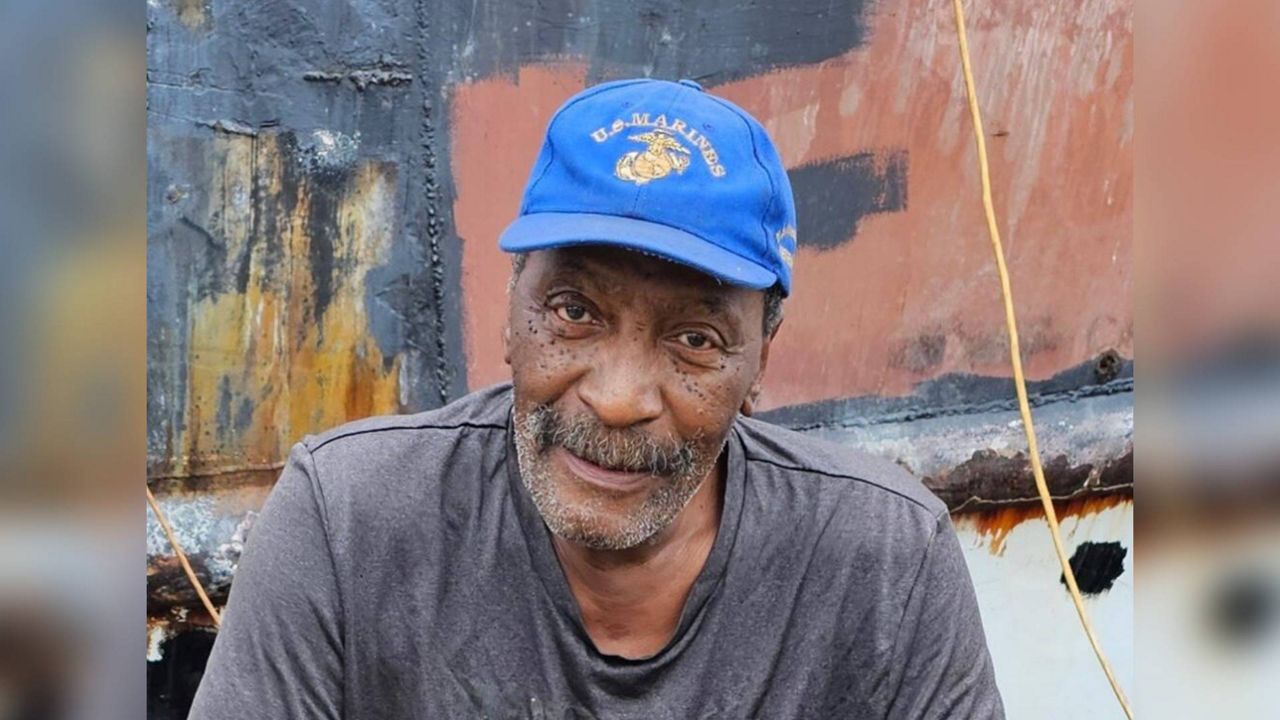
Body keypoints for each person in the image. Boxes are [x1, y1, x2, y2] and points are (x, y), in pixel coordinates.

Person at [189, 78, 1004, 719]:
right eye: (574, 313)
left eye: (695, 339)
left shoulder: (887, 563)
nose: (617, 399)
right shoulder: (348, 522)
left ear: (761, 362)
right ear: (509, 314)